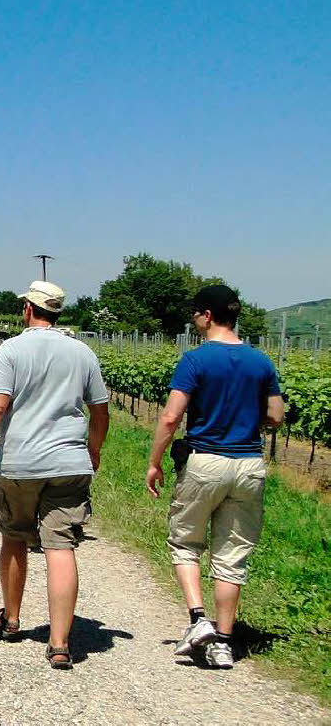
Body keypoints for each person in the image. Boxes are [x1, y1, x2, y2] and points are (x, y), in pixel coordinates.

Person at [0, 280, 110, 670]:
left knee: (14, 537)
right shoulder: (82, 352)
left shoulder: (12, 350)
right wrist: (92, 450)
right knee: (61, 548)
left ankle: (11, 619)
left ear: (27, 309)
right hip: (69, 464)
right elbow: (100, 411)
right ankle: (59, 643)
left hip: (20, 464)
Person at [145, 285, 284, 669]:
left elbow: (172, 416)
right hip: (249, 465)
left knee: (185, 543)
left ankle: (197, 620)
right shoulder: (261, 362)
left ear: (207, 315)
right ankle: (224, 642)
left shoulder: (196, 360)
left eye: (195, 314)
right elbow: (275, 416)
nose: (194, 320)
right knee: (232, 555)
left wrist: (154, 461)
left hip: (205, 461)